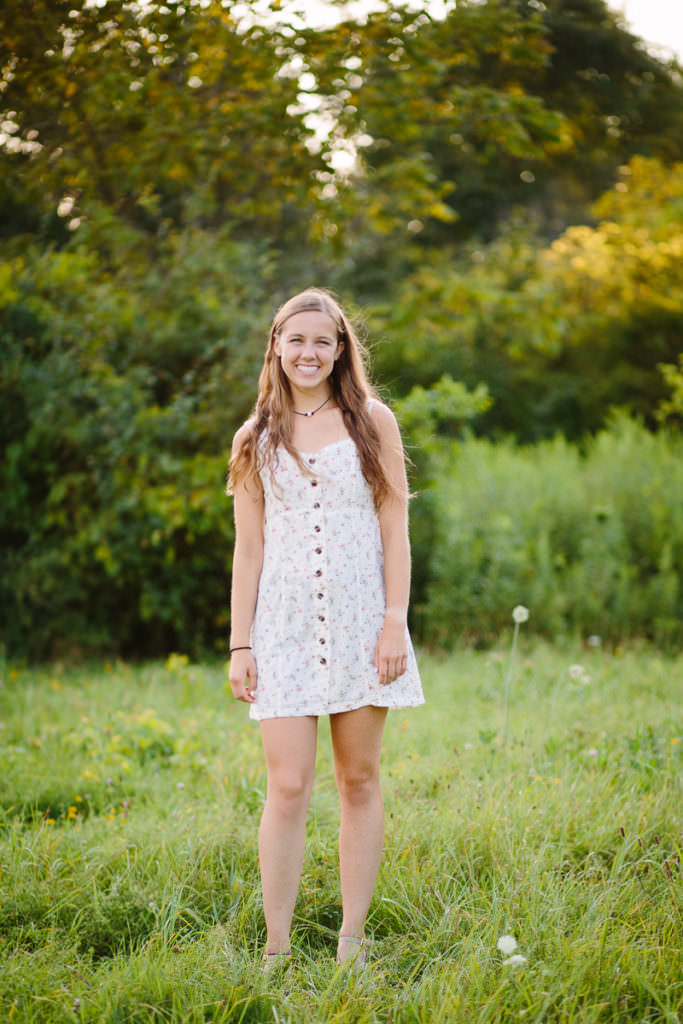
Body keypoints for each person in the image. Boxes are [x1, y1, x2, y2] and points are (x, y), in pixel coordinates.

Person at [227, 287, 424, 971]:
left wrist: (394, 621)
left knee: (359, 779)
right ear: (275, 346)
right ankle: (275, 947)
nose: (307, 352)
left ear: (340, 349)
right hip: (280, 627)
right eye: (295, 339)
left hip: (362, 623)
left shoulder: (373, 420)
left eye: (321, 340)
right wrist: (240, 642)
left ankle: (352, 940)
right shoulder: (254, 436)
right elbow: (247, 549)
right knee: (286, 786)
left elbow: (395, 524)